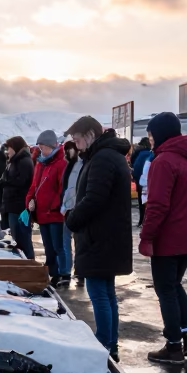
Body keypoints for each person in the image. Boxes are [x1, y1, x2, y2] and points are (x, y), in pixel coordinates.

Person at [139, 112, 187, 366]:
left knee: (165, 289)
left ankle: (173, 346)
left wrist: (147, 237)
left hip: (167, 238)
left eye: (150, 135)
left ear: (160, 134)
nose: (149, 140)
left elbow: (157, 206)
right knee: (174, 285)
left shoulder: (164, 161)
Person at [64, 118, 132, 358]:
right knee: (106, 292)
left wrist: (72, 218)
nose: (76, 144)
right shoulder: (107, 155)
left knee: (99, 293)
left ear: (91, 134)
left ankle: (104, 344)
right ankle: (110, 345)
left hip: (100, 237)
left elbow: (94, 198)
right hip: (108, 236)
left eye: (78, 138)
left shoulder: (103, 158)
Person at [26, 130, 68, 285]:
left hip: (54, 213)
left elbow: (61, 189)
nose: (41, 150)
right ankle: (52, 272)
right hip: (42, 213)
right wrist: (30, 200)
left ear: (52, 146)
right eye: (40, 147)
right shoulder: (41, 163)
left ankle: (63, 273)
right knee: (48, 246)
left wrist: (53, 206)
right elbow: (34, 185)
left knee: (58, 245)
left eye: (44, 147)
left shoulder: (61, 163)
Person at [0, 136, 35, 259]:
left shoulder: (24, 161)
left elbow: (22, 182)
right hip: (12, 205)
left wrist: (5, 181)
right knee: (17, 239)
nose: (7, 151)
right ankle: (23, 264)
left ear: (15, 147)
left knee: (23, 239)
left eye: (9, 148)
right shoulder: (15, 160)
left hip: (19, 206)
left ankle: (30, 265)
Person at [59, 140, 82, 286]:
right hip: (68, 208)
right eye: (66, 150)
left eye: (70, 149)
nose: (68, 152)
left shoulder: (79, 165)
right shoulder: (70, 165)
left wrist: (65, 206)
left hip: (75, 207)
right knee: (66, 240)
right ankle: (67, 272)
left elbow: (72, 189)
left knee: (77, 241)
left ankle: (79, 271)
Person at [132, 137, 153, 226]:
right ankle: (147, 221)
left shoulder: (137, 153)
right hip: (148, 182)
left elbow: (134, 167)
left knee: (141, 201)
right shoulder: (150, 154)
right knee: (148, 202)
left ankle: (141, 220)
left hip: (139, 181)